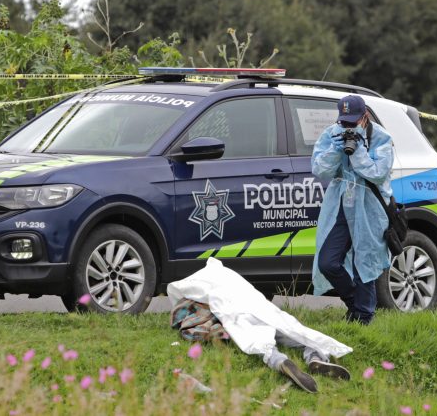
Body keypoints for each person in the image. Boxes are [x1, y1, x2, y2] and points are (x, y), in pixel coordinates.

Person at [168, 258, 353, 394]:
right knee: (294, 331)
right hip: (260, 306)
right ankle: (314, 356)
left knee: (254, 338)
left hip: (234, 311)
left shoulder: (200, 282)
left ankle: (279, 361)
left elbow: (180, 296)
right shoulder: (231, 277)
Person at [311, 94, 394, 325]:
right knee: (328, 261)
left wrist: (358, 151)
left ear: (364, 117)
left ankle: (364, 317)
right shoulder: (332, 134)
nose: (348, 127)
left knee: (364, 261)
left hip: (370, 207)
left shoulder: (382, 138)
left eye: (353, 122)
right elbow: (319, 170)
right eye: (344, 122)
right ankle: (353, 302)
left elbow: (378, 173)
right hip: (340, 204)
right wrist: (335, 151)